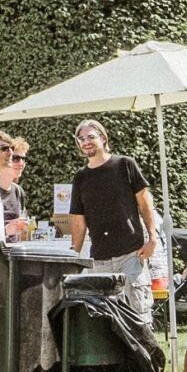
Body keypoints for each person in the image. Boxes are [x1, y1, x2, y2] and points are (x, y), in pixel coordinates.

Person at [67, 120, 158, 316]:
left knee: (138, 316)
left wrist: (152, 238)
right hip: (100, 258)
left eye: (91, 136)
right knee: (107, 320)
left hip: (131, 253)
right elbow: (78, 220)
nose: (86, 142)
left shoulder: (125, 164)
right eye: (81, 138)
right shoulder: (80, 177)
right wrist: (73, 257)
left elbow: (144, 202)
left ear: (103, 137)